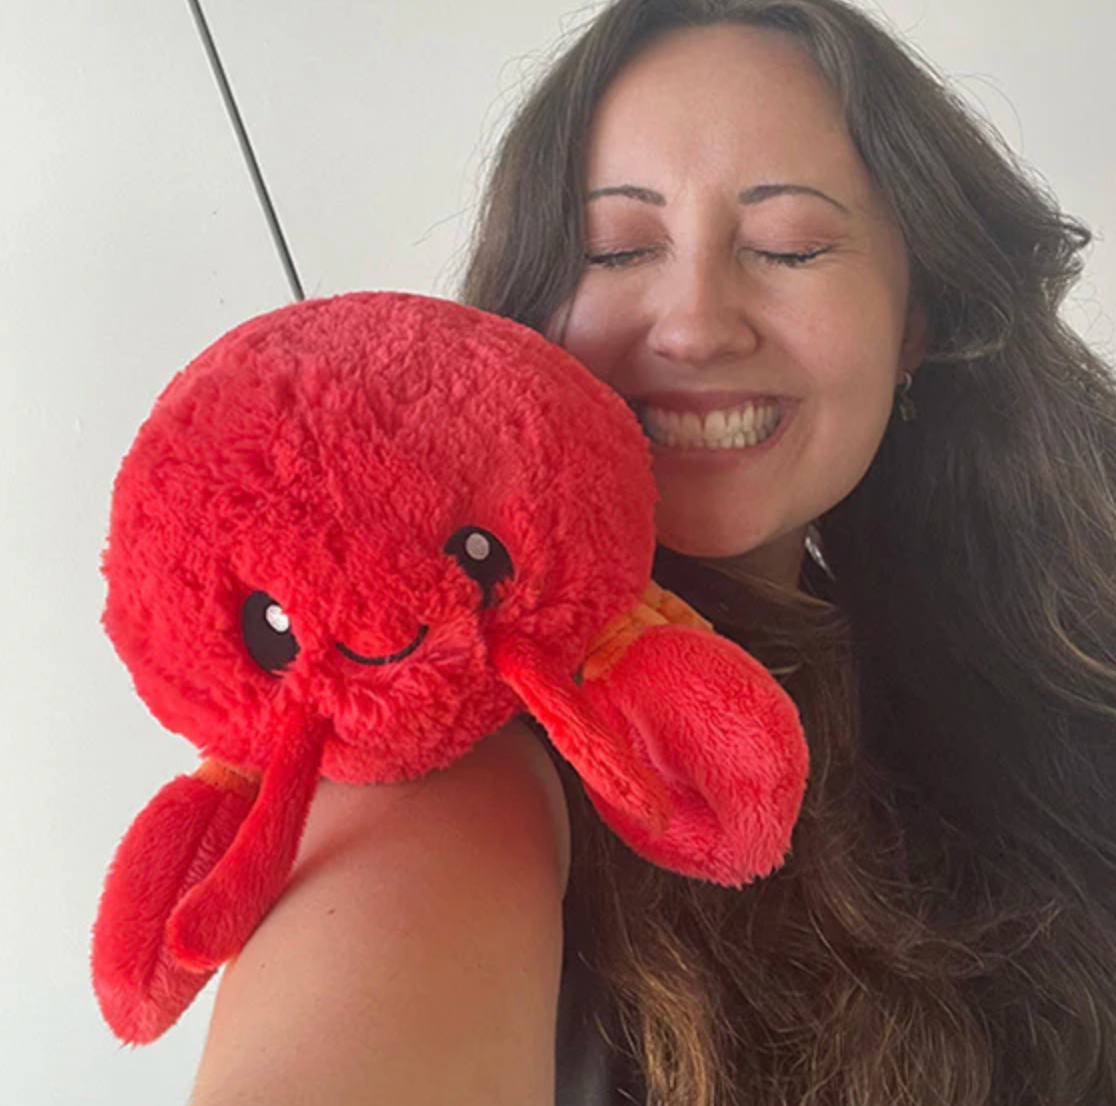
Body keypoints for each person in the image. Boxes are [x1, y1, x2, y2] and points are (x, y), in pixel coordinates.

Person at [188, 1, 1116, 1103]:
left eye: (789, 246)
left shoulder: (1028, 648)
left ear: (915, 320)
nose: (695, 325)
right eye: (618, 250)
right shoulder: (455, 747)